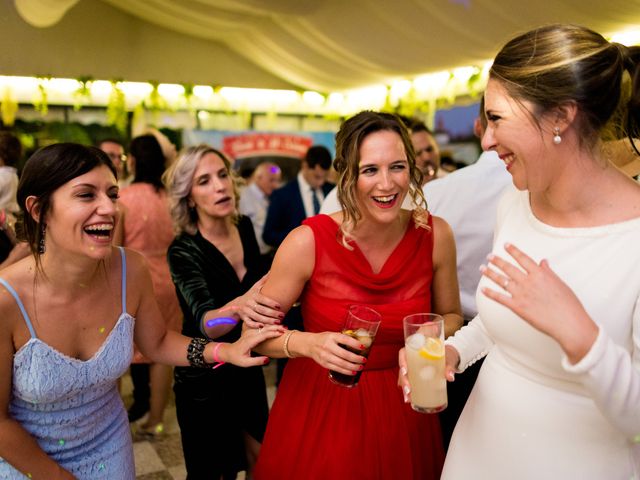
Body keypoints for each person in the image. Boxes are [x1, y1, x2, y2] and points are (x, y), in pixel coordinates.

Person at [401, 24, 640, 479]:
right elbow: (496, 325)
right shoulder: (512, 204)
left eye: (496, 118)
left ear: (560, 118)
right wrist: (452, 352)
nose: (485, 140)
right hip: (478, 451)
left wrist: (580, 335)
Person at [0, 143, 282, 479]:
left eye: (112, 193)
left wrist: (225, 351)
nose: (110, 208)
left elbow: (158, 342)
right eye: (87, 195)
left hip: (110, 446)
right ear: (38, 209)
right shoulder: (5, 300)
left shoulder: (129, 268)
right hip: (26, 461)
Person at [252, 111, 463, 480]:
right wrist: (308, 344)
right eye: (370, 170)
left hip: (407, 409)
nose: (387, 183)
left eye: (397, 167)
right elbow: (253, 338)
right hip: (324, 407)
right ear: (346, 174)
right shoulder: (307, 241)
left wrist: (428, 341)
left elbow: (452, 315)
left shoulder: (436, 236)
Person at [164, 145, 284, 479]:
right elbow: (208, 323)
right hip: (205, 372)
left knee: (260, 454)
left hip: (246, 364)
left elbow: (261, 278)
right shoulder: (183, 250)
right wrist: (240, 306)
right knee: (214, 472)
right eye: (204, 181)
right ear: (188, 197)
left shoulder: (243, 226)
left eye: (222, 175)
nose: (220, 186)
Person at [422, 99, 512, 450]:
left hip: (446, 342)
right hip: (462, 343)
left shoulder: (436, 192)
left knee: (446, 444)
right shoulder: (523, 194)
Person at [113, 134, 182, 435]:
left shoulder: (123, 199)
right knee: (163, 351)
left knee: (121, 350)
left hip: (134, 281)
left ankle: (114, 419)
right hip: (170, 281)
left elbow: (114, 251)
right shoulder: (172, 199)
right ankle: (156, 420)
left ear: (134, 160)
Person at [238, 161, 282, 257]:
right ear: (258, 177)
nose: (276, 185)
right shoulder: (241, 196)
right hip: (251, 256)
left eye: (278, 181)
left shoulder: (271, 198)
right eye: (271, 180)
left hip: (268, 255)